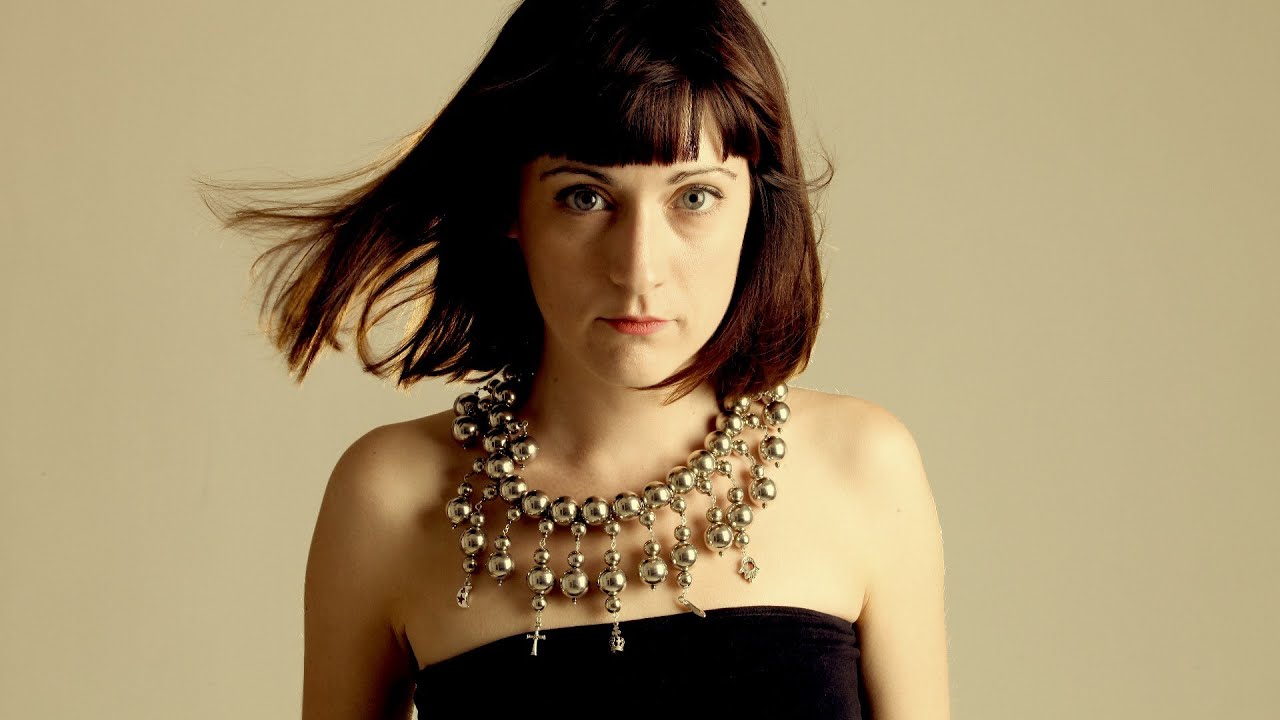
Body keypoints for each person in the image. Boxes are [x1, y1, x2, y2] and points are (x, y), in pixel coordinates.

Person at [200, 1, 949, 717]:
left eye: (694, 197)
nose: (638, 269)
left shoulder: (862, 467)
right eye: (585, 197)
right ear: (510, 206)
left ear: (755, 204)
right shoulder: (390, 499)